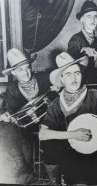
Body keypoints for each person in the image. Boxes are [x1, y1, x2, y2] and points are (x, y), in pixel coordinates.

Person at [38, 52, 97, 184]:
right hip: (71, 152)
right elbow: (42, 134)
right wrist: (72, 134)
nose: (74, 78)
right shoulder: (56, 104)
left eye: (77, 73)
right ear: (62, 79)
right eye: (68, 74)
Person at [0, 48, 52, 184]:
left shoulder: (44, 78)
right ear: (13, 72)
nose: (25, 72)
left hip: (51, 123)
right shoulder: (12, 89)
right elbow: (6, 109)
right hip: (26, 130)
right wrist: (5, 115)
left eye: (27, 67)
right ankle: (29, 176)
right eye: (20, 70)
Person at [67, 0, 97, 84]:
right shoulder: (76, 40)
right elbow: (70, 68)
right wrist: (94, 65)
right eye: (88, 16)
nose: (93, 20)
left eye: (95, 16)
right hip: (81, 86)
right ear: (82, 20)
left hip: (96, 84)